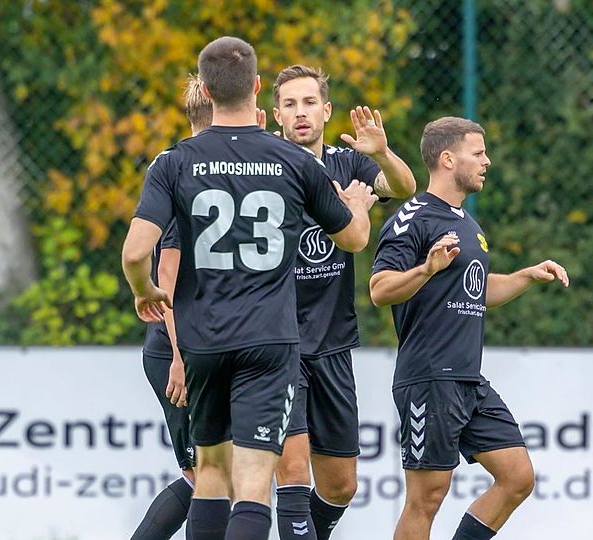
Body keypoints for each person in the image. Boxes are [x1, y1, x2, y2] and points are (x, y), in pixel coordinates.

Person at [122, 36, 376, 540]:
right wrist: (362, 207)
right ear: (258, 89)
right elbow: (351, 237)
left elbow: (134, 252)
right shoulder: (293, 160)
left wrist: (143, 289)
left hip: (202, 341)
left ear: (208, 91)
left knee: (212, 473)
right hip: (269, 341)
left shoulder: (175, 162)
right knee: (256, 481)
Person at [369, 117, 570, 540]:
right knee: (426, 498)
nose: (487, 161)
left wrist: (526, 276)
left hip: (467, 379)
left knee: (517, 476)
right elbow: (379, 288)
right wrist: (426, 269)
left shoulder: (468, 226)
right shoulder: (413, 218)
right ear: (447, 159)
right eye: (478, 153)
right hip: (428, 378)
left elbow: (476, 290)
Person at [270, 64, 416, 540]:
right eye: (290, 105)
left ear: (327, 110)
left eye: (309, 102)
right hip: (277, 340)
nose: (301, 113)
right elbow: (351, 232)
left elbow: (403, 188)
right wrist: (349, 208)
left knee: (340, 486)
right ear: (276, 115)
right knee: (292, 472)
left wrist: (383, 152)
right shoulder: (266, 168)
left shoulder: (347, 163)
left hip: (331, 340)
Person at [128, 74, 210, 540]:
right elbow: (167, 280)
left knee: (216, 472)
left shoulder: (192, 163)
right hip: (177, 347)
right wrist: (179, 357)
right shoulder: (185, 170)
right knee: (205, 474)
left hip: (203, 345)